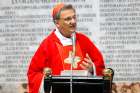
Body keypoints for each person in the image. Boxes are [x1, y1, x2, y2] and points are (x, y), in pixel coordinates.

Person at [27, 3, 105, 93]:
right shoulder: (47, 45)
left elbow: (101, 65)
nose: (73, 21)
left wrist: (93, 69)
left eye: (74, 17)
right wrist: (48, 81)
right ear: (57, 23)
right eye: (68, 19)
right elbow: (33, 73)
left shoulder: (83, 40)